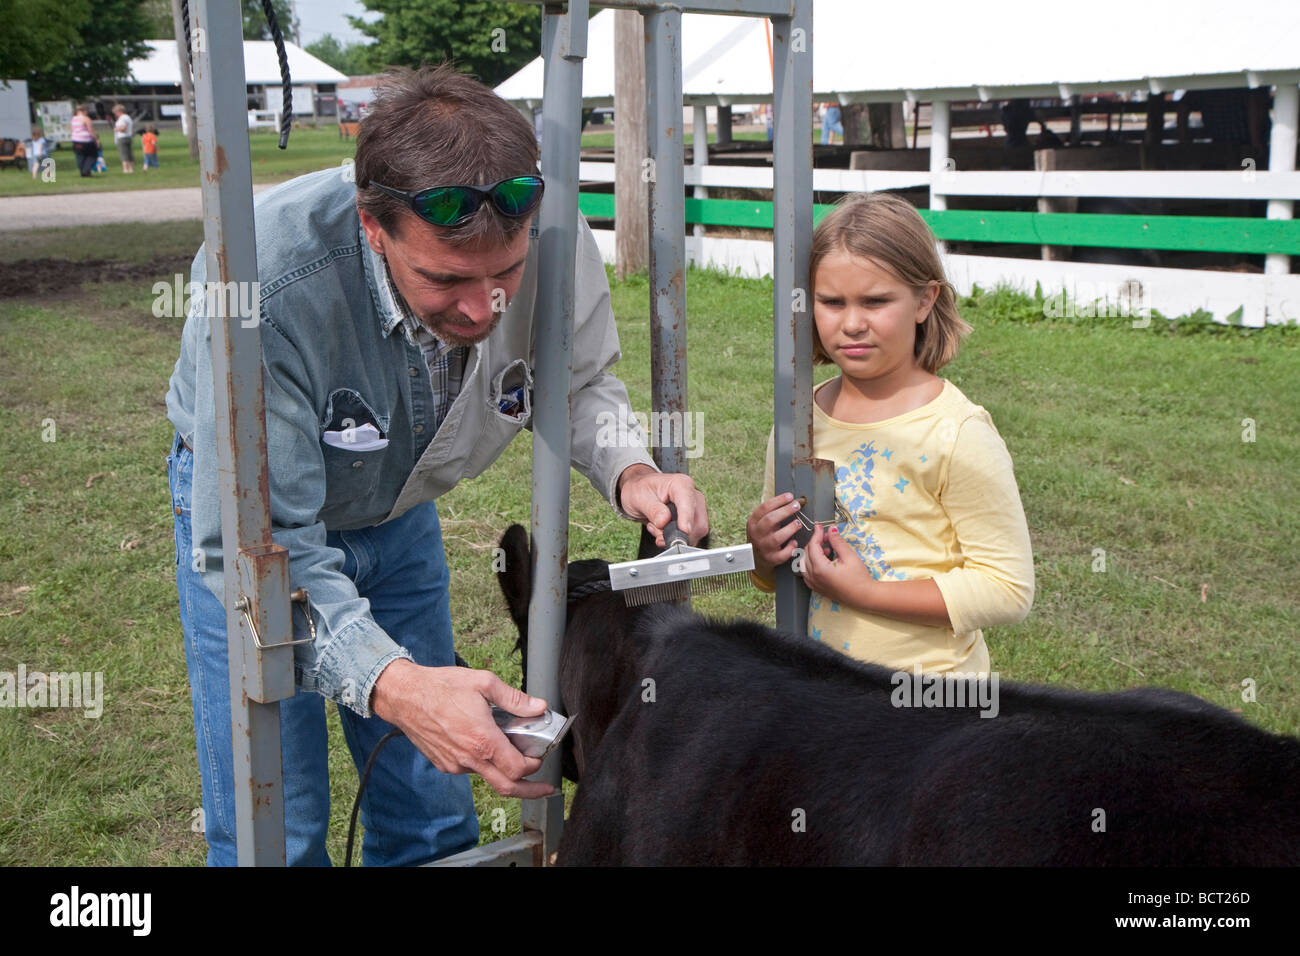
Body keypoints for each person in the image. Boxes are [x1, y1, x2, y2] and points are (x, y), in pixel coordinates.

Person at [165, 64, 707, 867]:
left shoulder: (551, 229)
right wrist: (399, 687)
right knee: (275, 823)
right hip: (257, 529)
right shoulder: (263, 280)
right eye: (446, 279)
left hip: (398, 509)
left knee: (430, 811)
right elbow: (259, 538)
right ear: (373, 226)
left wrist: (631, 469)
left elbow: (576, 379)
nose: (485, 308)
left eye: (507, 276)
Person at [746, 192, 1033, 676]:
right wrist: (759, 553)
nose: (852, 324)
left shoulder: (956, 433)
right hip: (818, 691)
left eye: (876, 301)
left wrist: (867, 592)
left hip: (928, 711)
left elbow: (1007, 589)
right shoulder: (798, 424)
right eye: (831, 302)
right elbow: (778, 577)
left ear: (925, 299)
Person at [70, 105, 97, 178]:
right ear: (84, 111)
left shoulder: (73, 119)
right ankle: (86, 170)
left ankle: (82, 170)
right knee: (92, 155)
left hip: (76, 140)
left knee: (80, 156)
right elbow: (91, 130)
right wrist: (96, 139)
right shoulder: (86, 119)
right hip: (86, 140)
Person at [112, 104, 134, 173]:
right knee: (129, 153)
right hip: (129, 137)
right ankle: (131, 169)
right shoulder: (128, 117)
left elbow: (123, 128)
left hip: (122, 137)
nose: (115, 114)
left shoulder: (122, 118)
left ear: (119, 111)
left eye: (115, 112)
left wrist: (116, 129)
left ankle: (125, 169)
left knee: (123, 154)